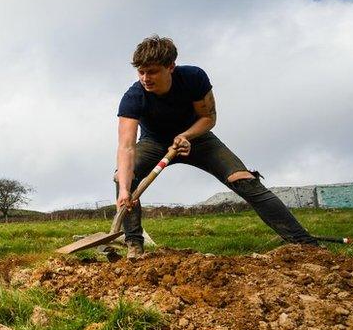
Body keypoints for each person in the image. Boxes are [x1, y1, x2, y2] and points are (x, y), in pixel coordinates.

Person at [116, 35, 318, 257]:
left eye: (152, 71)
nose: (145, 78)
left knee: (243, 180)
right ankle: (134, 245)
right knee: (123, 177)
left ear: (170, 67)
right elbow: (126, 147)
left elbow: (208, 118)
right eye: (141, 72)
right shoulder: (134, 96)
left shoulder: (194, 78)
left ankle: (305, 244)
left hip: (198, 138)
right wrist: (125, 190)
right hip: (154, 143)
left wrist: (186, 135)